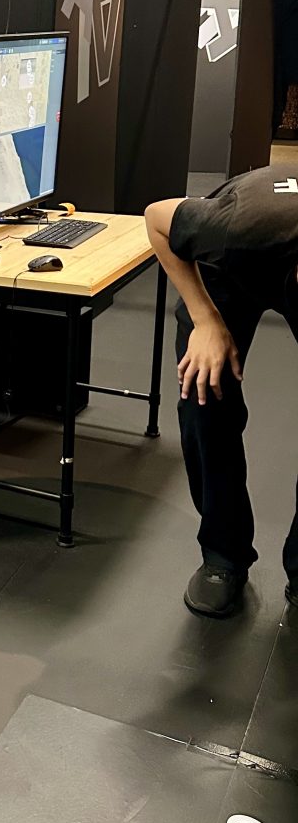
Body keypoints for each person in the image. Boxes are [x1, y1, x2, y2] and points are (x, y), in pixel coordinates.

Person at [145, 165, 298, 617]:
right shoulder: (239, 229)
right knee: (204, 399)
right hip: (228, 272)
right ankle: (223, 553)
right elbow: (156, 219)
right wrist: (206, 321)